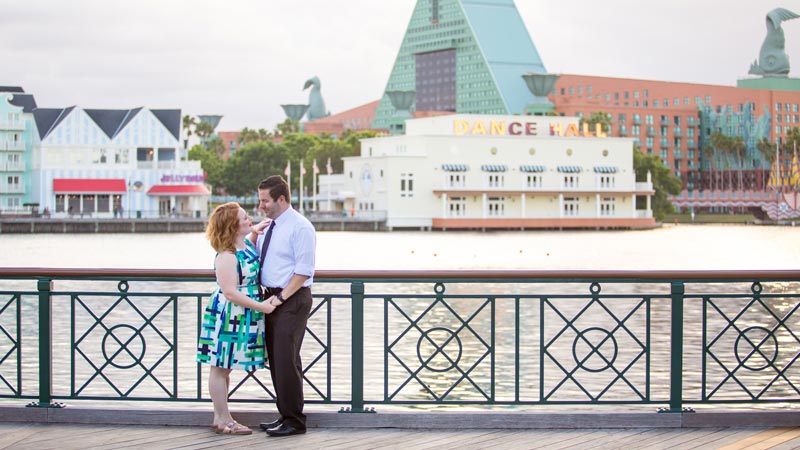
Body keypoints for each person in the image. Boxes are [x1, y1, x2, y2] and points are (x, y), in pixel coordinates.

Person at [196, 202, 275, 435]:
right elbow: (230, 291)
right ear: (232, 225)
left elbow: (248, 254)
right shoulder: (226, 256)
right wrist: (261, 306)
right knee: (219, 366)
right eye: (244, 218)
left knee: (225, 367)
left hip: (243, 313)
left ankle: (222, 416)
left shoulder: (243, 245)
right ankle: (223, 419)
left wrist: (254, 231)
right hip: (228, 314)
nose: (249, 219)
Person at [255, 175, 316, 438]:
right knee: (279, 361)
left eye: (265, 201)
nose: (261, 206)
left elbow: (303, 271)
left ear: (281, 199)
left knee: (285, 360)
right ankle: (286, 414)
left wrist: (280, 299)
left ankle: (295, 421)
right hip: (271, 300)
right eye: (260, 201)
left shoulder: (301, 227)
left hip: (290, 299)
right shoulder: (270, 226)